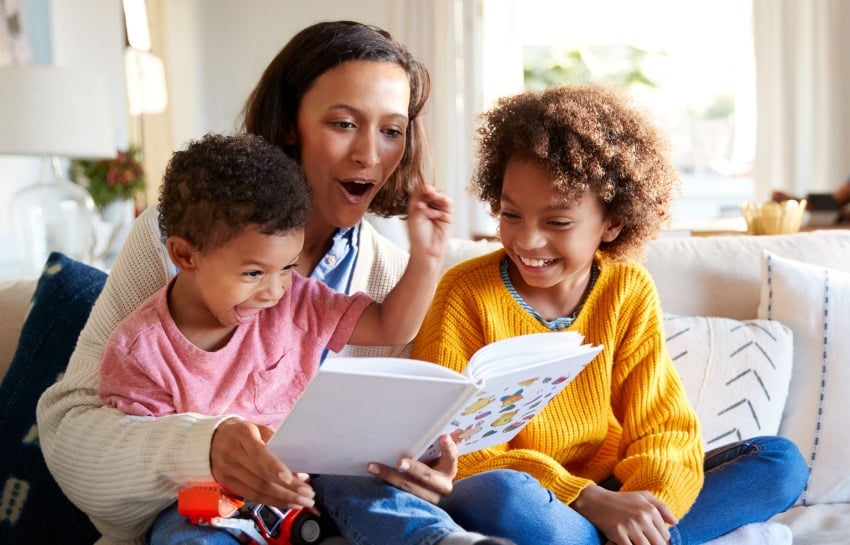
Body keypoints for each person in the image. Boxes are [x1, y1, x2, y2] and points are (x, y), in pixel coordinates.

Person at [36, 20, 463, 544]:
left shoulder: (396, 279)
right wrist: (202, 449)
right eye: (344, 123)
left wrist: (422, 469)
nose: (370, 156)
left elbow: (393, 445)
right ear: (290, 124)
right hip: (202, 514)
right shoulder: (177, 236)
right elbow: (71, 439)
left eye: (391, 130)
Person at [406, 84, 809, 545]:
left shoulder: (626, 289)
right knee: (500, 496)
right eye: (511, 214)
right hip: (530, 494)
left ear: (612, 223)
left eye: (557, 222)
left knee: (779, 462)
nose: (526, 241)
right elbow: (451, 448)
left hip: (615, 489)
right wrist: (588, 501)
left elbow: (663, 429)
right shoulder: (464, 292)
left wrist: (640, 508)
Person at [96, 132, 505, 545]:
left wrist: (427, 257)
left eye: (288, 267)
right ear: (185, 256)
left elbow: (390, 327)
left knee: (368, 486)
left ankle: (440, 540)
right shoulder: (139, 351)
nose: (274, 291)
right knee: (177, 532)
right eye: (253, 273)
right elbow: (146, 470)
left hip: (314, 489)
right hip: (211, 505)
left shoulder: (296, 300)